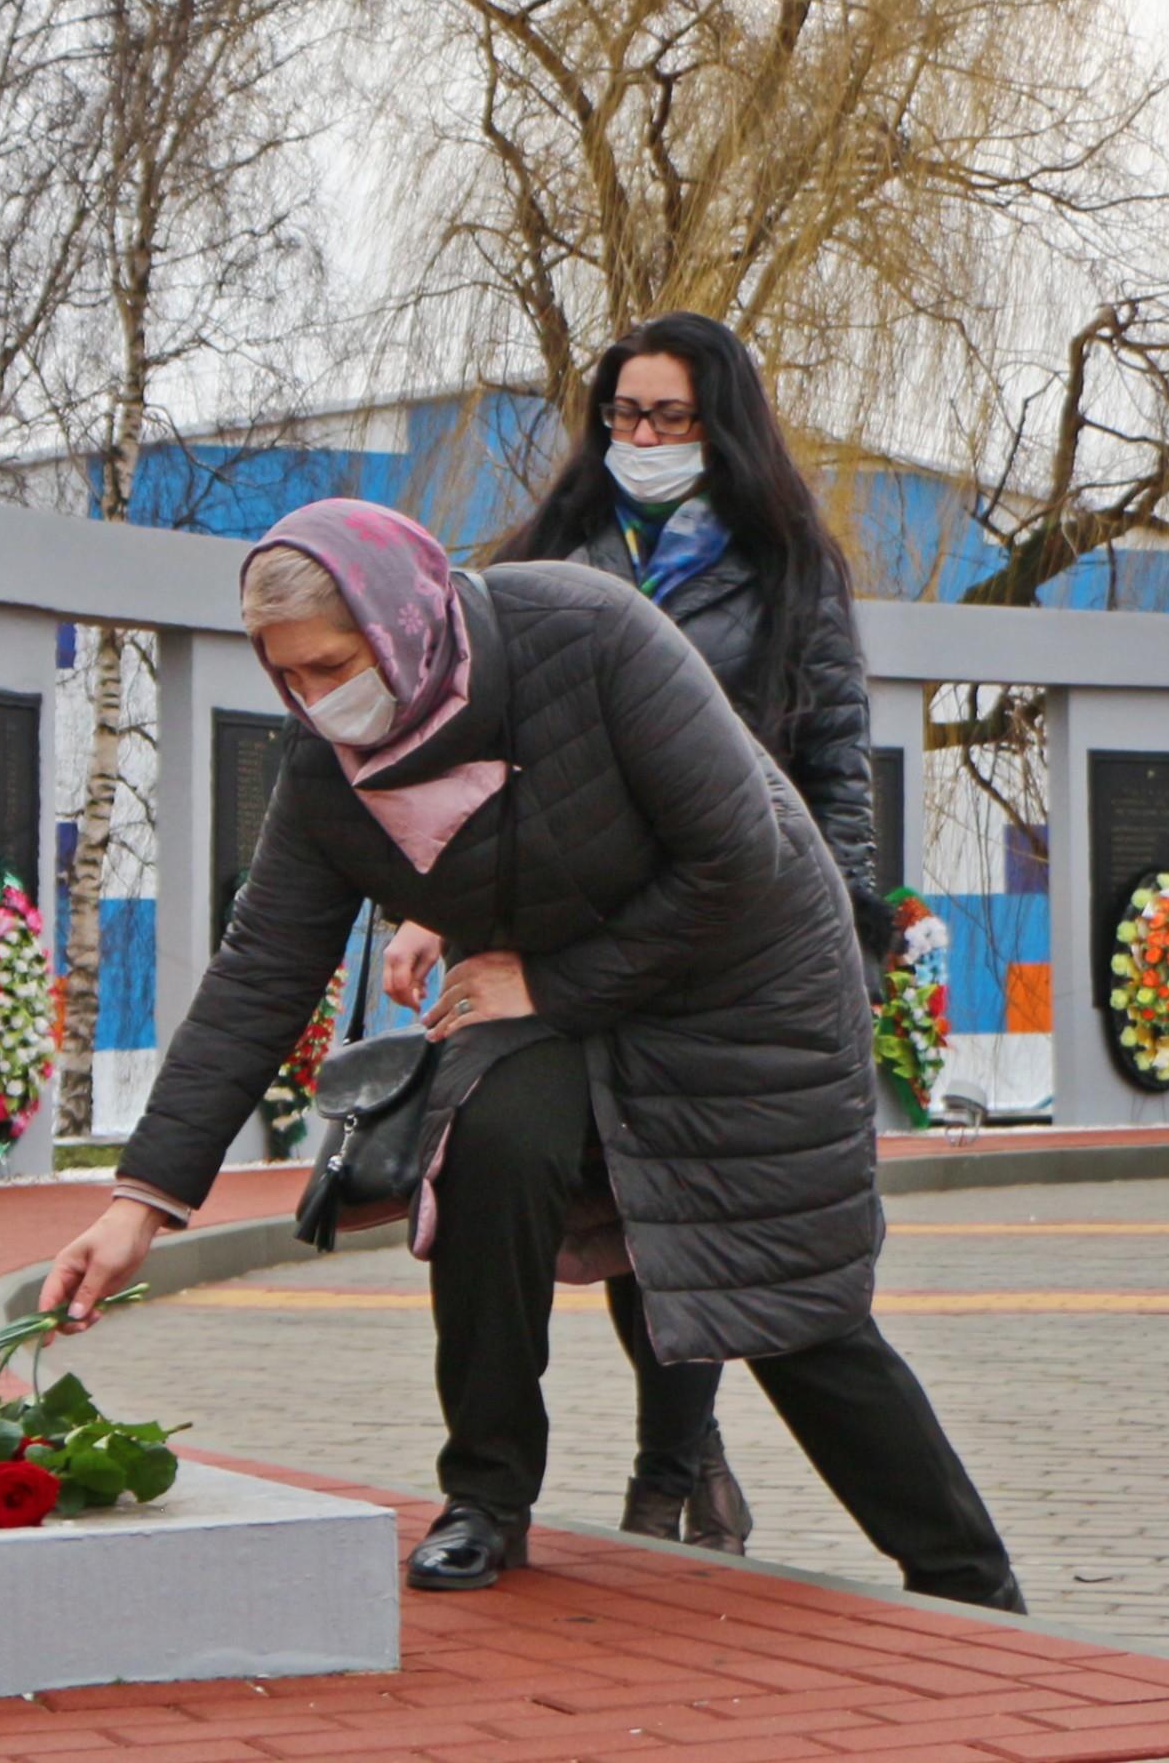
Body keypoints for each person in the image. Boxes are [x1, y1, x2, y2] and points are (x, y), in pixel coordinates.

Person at [41, 497, 1019, 1606]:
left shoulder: (589, 633)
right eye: (290, 679)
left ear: (400, 620)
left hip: (740, 983)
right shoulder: (331, 773)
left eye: (332, 666)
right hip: (544, 999)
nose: (317, 701)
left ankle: (968, 1580)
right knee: (491, 1152)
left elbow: (738, 860)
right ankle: (487, 1498)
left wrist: (546, 983)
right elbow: (259, 974)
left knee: (786, 1298)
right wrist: (144, 1203)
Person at [373, 311, 875, 1554]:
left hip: (718, 943)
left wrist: (841, 941)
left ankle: (675, 1465)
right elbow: (467, 750)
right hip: (550, 936)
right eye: (627, 416)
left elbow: (833, 770)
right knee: (502, 1163)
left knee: (676, 1205)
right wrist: (433, 900)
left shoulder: (794, 575)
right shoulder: (539, 558)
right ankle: (489, 1493)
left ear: (725, 430)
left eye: (673, 419)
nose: (643, 440)